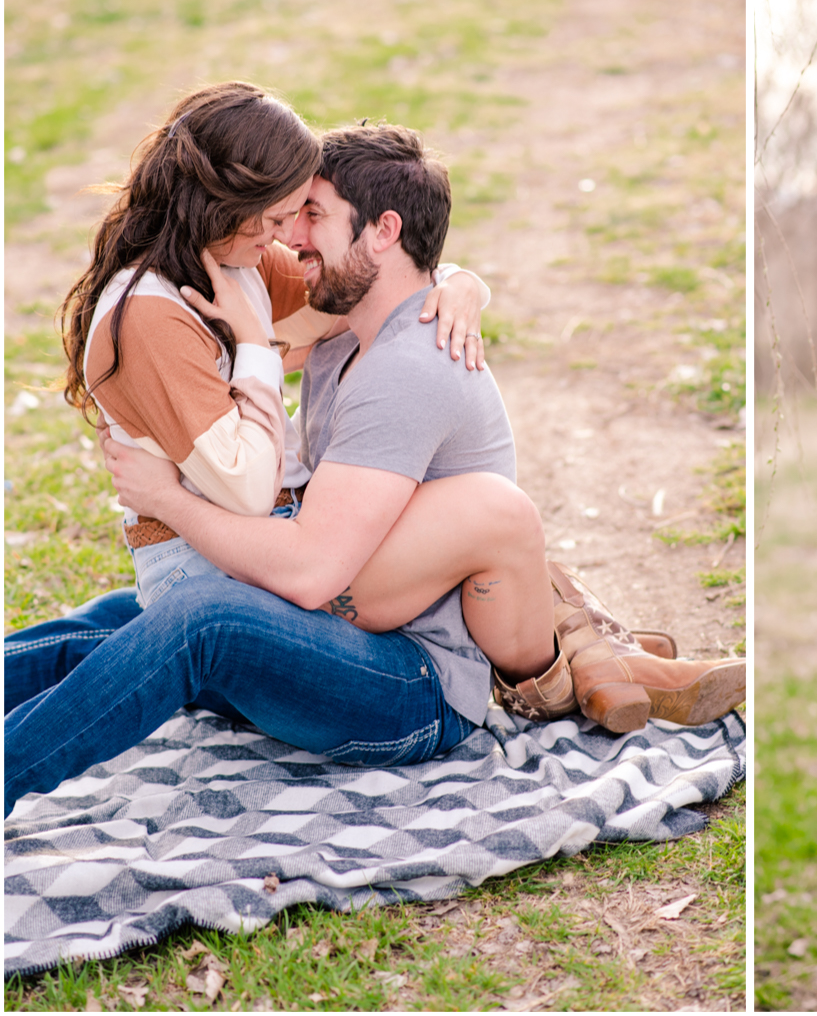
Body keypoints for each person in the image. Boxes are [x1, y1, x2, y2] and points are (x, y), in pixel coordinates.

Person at [6, 118, 745, 818]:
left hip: (410, 687)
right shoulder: (347, 333)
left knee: (199, 618)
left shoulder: (409, 370)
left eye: (314, 217)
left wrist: (168, 498)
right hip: (352, 636)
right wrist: (462, 279)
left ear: (382, 231)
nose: (292, 238)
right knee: (116, 625)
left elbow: (308, 574)